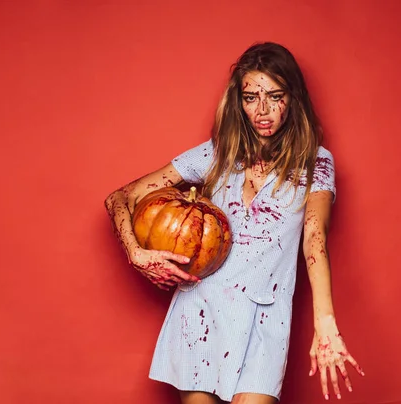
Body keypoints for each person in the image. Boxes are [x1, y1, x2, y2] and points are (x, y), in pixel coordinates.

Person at [105, 42, 364, 404]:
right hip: (200, 312)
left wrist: (325, 323)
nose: (263, 110)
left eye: (275, 96)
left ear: (293, 97)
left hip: (265, 320)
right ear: (238, 101)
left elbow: (314, 235)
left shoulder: (315, 164)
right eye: (251, 97)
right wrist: (136, 253)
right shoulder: (217, 155)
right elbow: (120, 197)